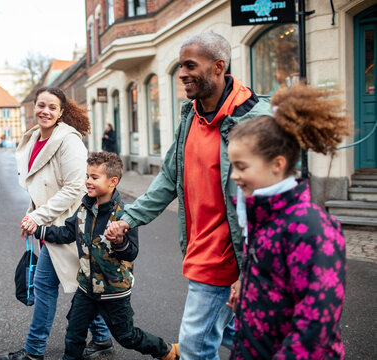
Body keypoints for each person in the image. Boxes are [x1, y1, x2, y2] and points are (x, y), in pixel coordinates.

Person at [105, 32, 272, 359]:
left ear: (218, 67)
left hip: (227, 256)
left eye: (190, 65)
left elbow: (269, 202)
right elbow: (169, 177)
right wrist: (128, 218)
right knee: (233, 330)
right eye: (181, 65)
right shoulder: (191, 115)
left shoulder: (254, 118)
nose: (182, 73)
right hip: (199, 248)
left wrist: (251, 268)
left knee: (195, 346)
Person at [226, 83, 349, 359]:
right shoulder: (261, 216)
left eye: (242, 167)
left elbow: (316, 322)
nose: (234, 176)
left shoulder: (312, 227)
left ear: (277, 164)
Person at [30, 152, 180, 360]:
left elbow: (131, 252)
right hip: (86, 288)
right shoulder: (84, 208)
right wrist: (38, 230)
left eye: (94, 177)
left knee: (127, 336)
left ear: (113, 182)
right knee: (74, 334)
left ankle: (166, 351)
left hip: (114, 291)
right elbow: (66, 233)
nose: (88, 182)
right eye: (87, 176)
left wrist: (119, 241)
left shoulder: (124, 215)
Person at [0, 87, 112, 360]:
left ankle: (34, 350)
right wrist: (32, 215)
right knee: (78, 283)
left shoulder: (68, 140)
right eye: (41, 105)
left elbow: (76, 187)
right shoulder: (34, 138)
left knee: (50, 284)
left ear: (62, 112)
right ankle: (102, 338)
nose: (45, 111)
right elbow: (40, 186)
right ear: (34, 107)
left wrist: (37, 218)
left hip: (69, 225)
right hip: (51, 222)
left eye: (52, 107)